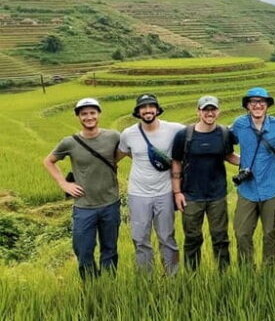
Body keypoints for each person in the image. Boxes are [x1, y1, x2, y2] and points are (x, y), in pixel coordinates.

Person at [42, 98, 121, 280]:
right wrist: (64, 184)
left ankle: (109, 284)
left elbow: (129, 151)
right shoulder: (69, 142)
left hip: (111, 204)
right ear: (78, 117)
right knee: (83, 250)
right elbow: (48, 161)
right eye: (84, 114)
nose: (89, 117)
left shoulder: (113, 136)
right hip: (84, 207)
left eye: (92, 113)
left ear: (99, 114)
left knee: (109, 249)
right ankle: (91, 286)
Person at [171, 96, 240, 271]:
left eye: (213, 109)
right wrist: (177, 192)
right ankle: (192, 275)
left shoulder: (225, 133)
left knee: (220, 237)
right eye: (205, 110)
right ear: (198, 112)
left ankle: (223, 274)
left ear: (218, 112)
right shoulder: (184, 135)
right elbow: (176, 162)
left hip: (217, 195)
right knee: (192, 237)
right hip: (191, 195)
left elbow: (229, 155)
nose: (209, 113)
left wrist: (250, 161)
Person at [118, 93, 183, 274]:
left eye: (150, 106)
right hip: (137, 193)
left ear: (157, 109)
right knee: (140, 238)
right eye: (143, 107)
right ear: (138, 111)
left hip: (165, 192)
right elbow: (117, 156)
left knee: (167, 237)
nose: (147, 110)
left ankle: (172, 276)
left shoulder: (174, 129)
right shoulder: (128, 134)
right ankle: (146, 277)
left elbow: (198, 131)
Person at [231, 87, 275, 266]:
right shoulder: (239, 124)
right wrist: (240, 164)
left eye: (261, 102)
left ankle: (268, 275)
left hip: (272, 187)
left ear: (267, 105)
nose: (257, 105)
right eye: (253, 102)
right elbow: (225, 146)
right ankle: (247, 273)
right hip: (247, 187)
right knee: (242, 233)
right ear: (247, 106)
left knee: (270, 233)